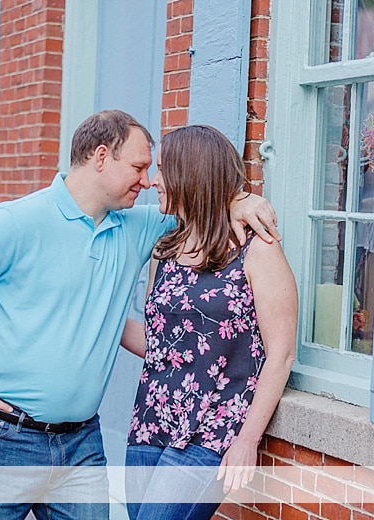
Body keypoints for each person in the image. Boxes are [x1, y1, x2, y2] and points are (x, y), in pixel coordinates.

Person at [0, 110, 279, 520]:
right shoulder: (19, 221)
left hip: (81, 445)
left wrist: (241, 199)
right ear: (100, 157)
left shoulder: (140, 227)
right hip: (0, 438)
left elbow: (201, 201)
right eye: (139, 166)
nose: (147, 181)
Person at [120, 125, 297, 519]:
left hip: (212, 429)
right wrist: (101, 323)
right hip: (151, 420)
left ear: (192, 173)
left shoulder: (257, 250)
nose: (153, 182)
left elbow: (281, 354)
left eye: (163, 170)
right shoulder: (164, 250)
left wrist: (247, 439)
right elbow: (159, 345)